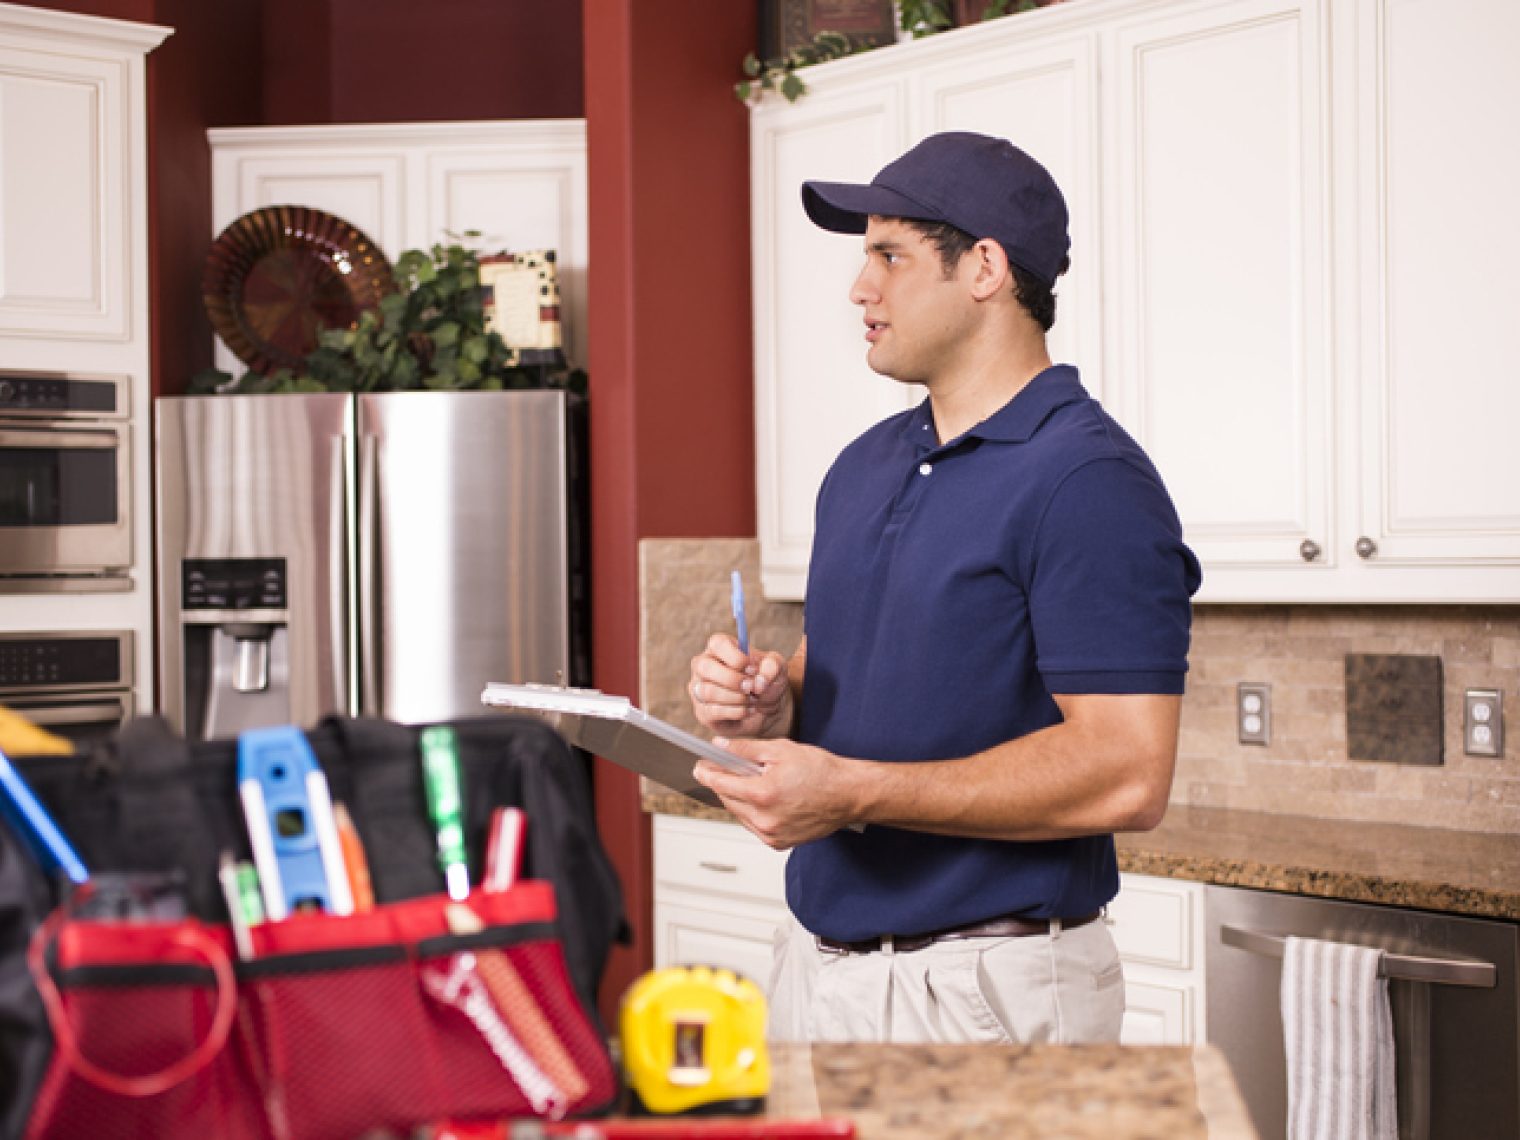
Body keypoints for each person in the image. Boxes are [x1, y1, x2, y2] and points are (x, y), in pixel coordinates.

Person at [688, 131, 1201, 1046]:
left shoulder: (1088, 481)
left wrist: (851, 791)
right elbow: (844, 670)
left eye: (889, 255)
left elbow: (1129, 772)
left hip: (986, 998)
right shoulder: (863, 465)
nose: (860, 287)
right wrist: (772, 701)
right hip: (822, 974)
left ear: (985, 269)